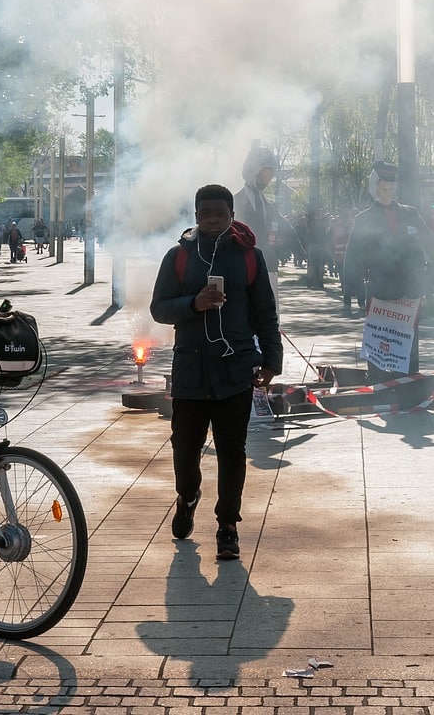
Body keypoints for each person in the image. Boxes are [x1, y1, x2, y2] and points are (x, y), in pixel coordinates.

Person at [149, 184, 282, 562]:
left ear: (231, 215)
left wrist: (272, 359)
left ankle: (228, 526)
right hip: (191, 369)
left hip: (235, 368)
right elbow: (159, 308)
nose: (212, 220)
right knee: (184, 449)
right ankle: (188, 496)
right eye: (205, 213)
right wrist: (194, 303)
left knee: (232, 451)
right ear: (195, 215)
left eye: (220, 214)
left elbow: (265, 313)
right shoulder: (177, 257)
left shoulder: (249, 257)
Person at [341, 162, 432, 382]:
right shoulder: (364, 219)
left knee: (407, 343)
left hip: (409, 292)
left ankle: (409, 385)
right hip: (380, 292)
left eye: (391, 189)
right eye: (383, 189)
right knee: (379, 343)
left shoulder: (411, 214)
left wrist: (429, 278)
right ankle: (379, 386)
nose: (388, 193)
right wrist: (352, 290)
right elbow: (352, 257)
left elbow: (429, 243)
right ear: (374, 188)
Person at [234, 144, 286, 296]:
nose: (267, 180)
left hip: (268, 267)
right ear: (252, 171)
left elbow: (284, 230)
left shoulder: (270, 206)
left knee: (269, 315)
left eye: (270, 175)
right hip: (242, 270)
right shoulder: (233, 202)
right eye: (264, 174)